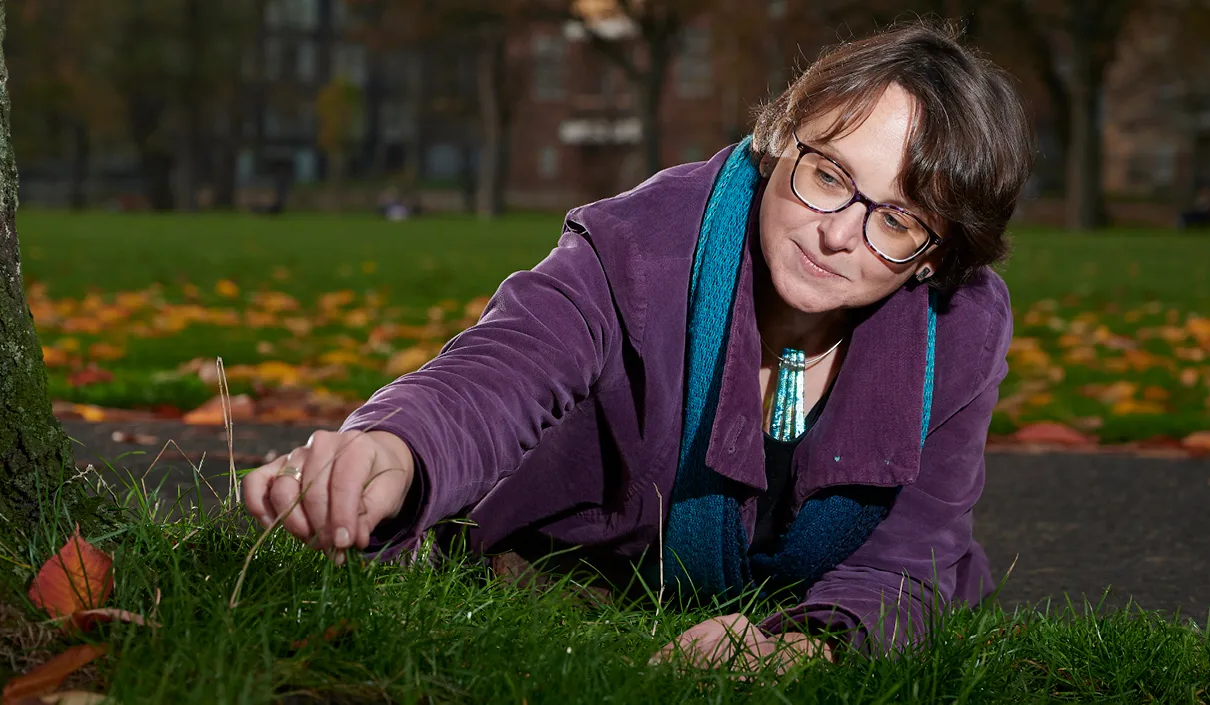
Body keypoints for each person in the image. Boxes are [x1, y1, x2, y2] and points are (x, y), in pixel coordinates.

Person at [244, 20, 1032, 672]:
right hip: (582, 566)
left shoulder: (958, 328)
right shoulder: (638, 246)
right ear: (779, 141)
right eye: (826, 174)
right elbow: (501, 368)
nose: (837, 234)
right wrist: (397, 447)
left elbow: (913, 555)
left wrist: (804, 650)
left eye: (895, 219)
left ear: (935, 253)